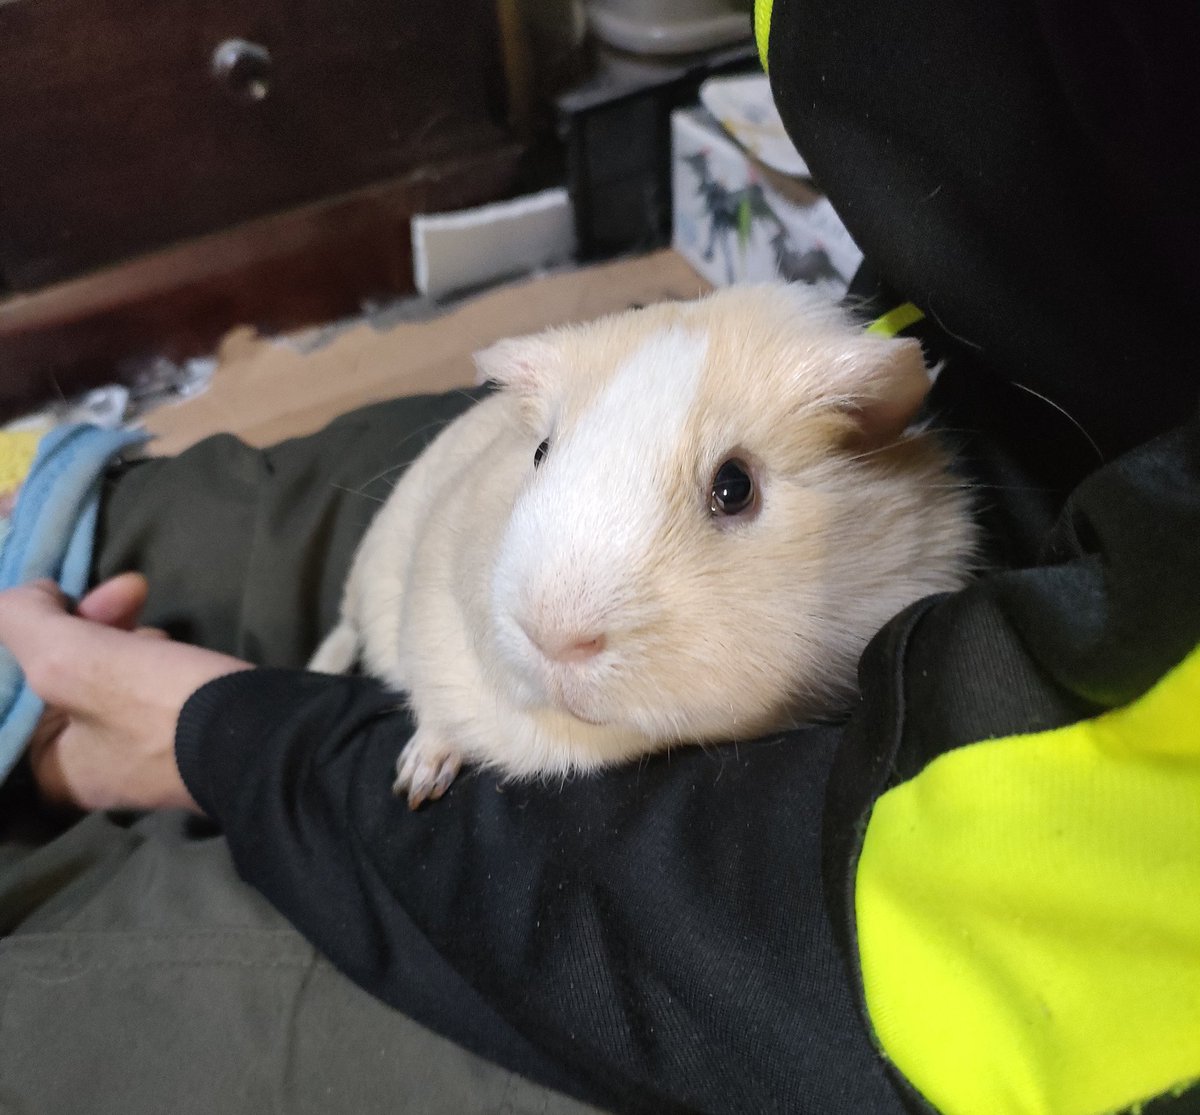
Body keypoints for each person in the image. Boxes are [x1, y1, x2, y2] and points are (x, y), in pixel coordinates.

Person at [1, 2, 1197, 1112]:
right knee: (198, 515)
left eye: (732, 493)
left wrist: (253, 744)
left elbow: (793, 946)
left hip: (866, 961)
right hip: (1017, 386)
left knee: (77, 997)